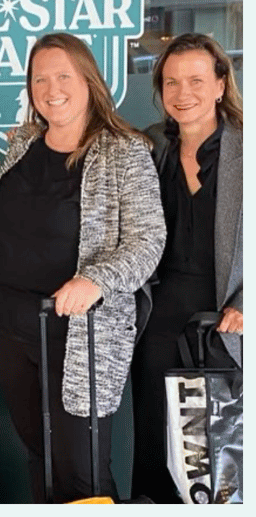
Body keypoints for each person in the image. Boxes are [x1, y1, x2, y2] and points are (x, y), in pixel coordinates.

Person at [0, 33, 165, 502]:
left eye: (63, 76)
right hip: (8, 326)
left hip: (79, 335)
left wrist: (95, 279)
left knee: (83, 471)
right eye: (40, 79)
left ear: (88, 80)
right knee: (41, 456)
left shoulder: (123, 151)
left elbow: (148, 241)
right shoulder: (24, 145)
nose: (51, 88)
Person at [133, 33, 242, 502]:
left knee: (217, 459)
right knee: (156, 447)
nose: (184, 93)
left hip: (223, 325)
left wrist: (246, 303)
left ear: (220, 84)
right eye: (172, 82)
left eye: (196, 80)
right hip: (158, 321)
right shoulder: (152, 146)